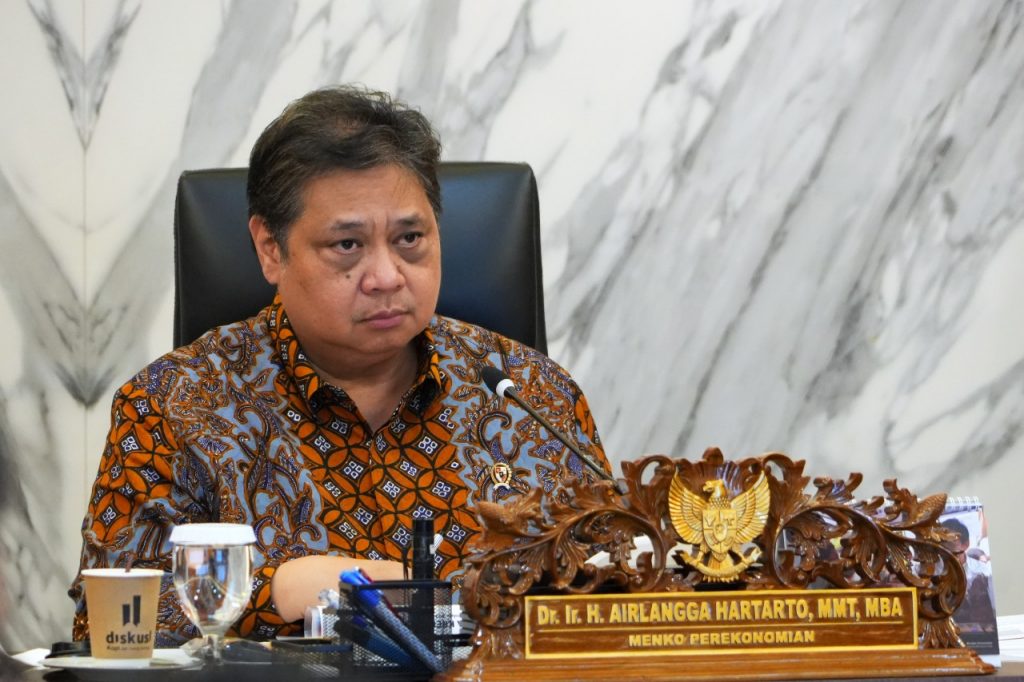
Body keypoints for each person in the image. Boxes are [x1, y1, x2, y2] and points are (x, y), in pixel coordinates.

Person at [69, 85, 607, 645]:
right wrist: (278, 590)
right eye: (347, 245)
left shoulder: (533, 397)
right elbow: (104, 626)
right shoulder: (173, 405)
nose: (387, 276)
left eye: (410, 238)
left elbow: (615, 593)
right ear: (270, 248)